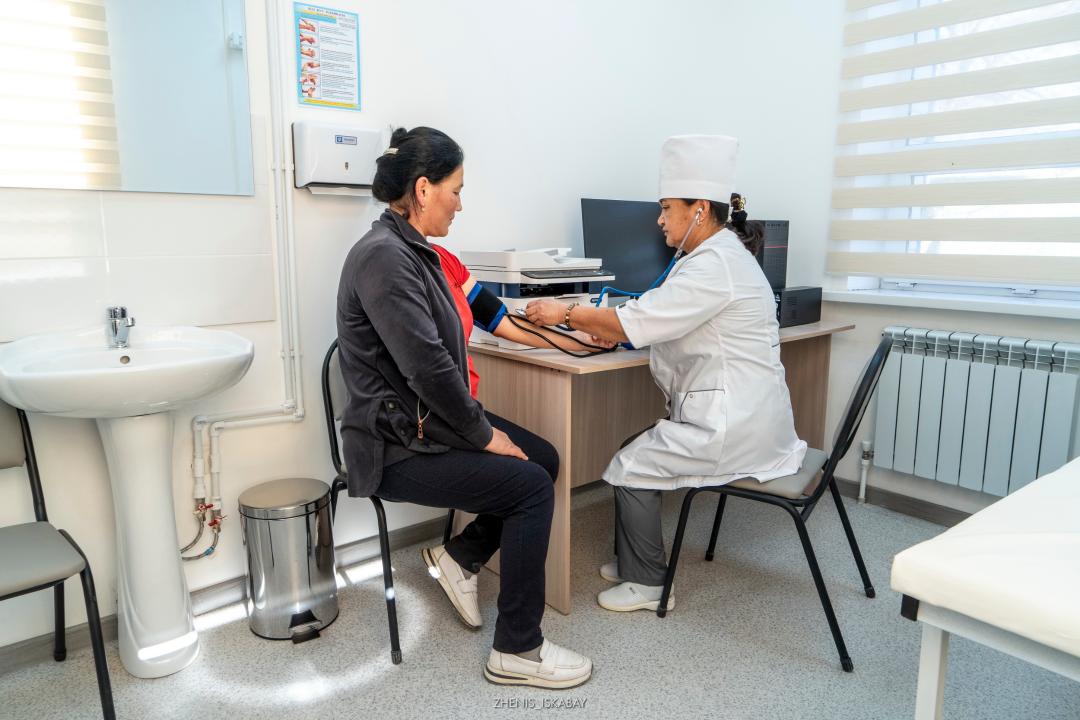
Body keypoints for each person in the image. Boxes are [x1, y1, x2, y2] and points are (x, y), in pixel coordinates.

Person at [336, 126, 592, 687]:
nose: (460, 202)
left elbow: (473, 330)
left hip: (425, 423)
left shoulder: (420, 253)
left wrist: (572, 331)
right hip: (393, 445)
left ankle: (460, 557)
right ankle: (518, 650)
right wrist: (482, 435)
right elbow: (427, 367)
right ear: (423, 189)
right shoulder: (384, 258)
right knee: (529, 487)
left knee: (543, 459)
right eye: (455, 190)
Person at [525, 135, 806, 613]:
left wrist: (567, 312)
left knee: (630, 465)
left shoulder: (714, 265)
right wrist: (620, 331)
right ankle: (635, 557)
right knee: (632, 446)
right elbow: (663, 318)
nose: (659, 219)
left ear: (700, 210)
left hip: (734, 426)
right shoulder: (717, 258)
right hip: (748, 414)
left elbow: (644, 318)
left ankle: (649, 584)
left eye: (666, 208)